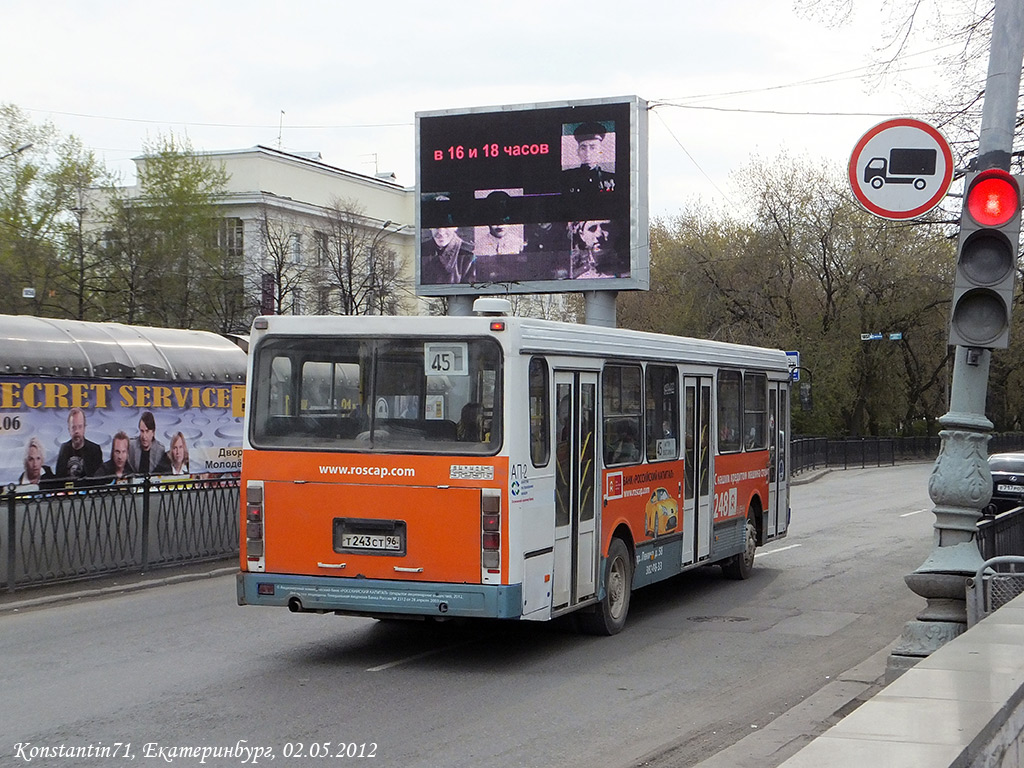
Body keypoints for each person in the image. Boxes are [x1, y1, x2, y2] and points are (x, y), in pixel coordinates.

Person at [562, 121, 616, 194]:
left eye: (592, 148)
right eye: (583, 148)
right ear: (577, 152)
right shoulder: (565, 177)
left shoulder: (611, 178)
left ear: (600, 151)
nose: (587, 153)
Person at [55, 407, 103, 482]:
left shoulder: (95, 450)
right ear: (69, 430)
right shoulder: (64, 449)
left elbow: (98, 481)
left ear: (84, 428)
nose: (76, 431)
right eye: (73, 427)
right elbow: (58, 479)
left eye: (80, 427)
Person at [129, 411, 171, 475]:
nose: (144, 436)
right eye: (142, 431)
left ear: (153, 432)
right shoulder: (131, 446)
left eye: (147, 431)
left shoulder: (160, 449)